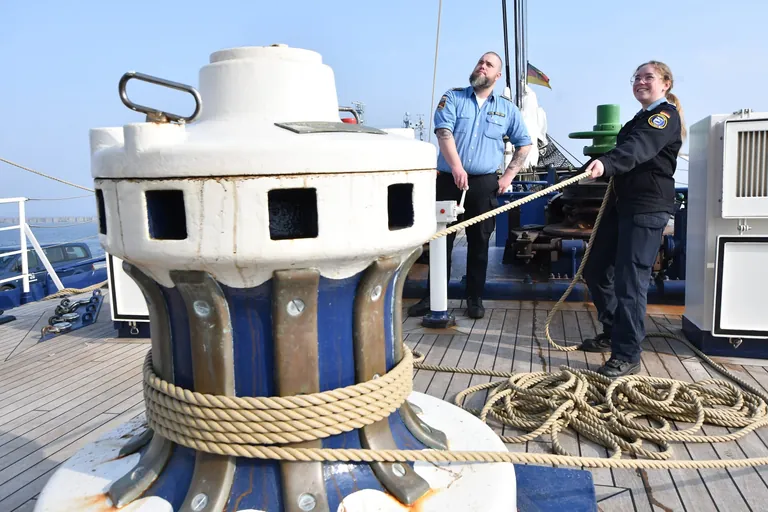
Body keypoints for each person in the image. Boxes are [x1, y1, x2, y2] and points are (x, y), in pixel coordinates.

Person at [408, 52, 533, 319]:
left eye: (489, 65)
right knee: (442, 241)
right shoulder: (453, 98)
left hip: (484, 183)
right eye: (480, 62)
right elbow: (444, 132)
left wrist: (508, 176)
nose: (482, 66)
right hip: (449, 180)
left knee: (480, 243)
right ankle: (432, 297)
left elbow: (525, 143)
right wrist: (456, 167)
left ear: (497, 76)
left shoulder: (507, 109)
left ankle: (474, 298)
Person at [580, 60, 685, 377]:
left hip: (647, 207)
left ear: (665, 83)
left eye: (648, 77)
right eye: (636, 77)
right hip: (622, 204)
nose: (640, 81)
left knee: (630, 282)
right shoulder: (640, 118)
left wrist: (606, 163)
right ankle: (614, 331)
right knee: (595, 268)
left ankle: (627, 354)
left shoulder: (664, 117)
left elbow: (639, 148)